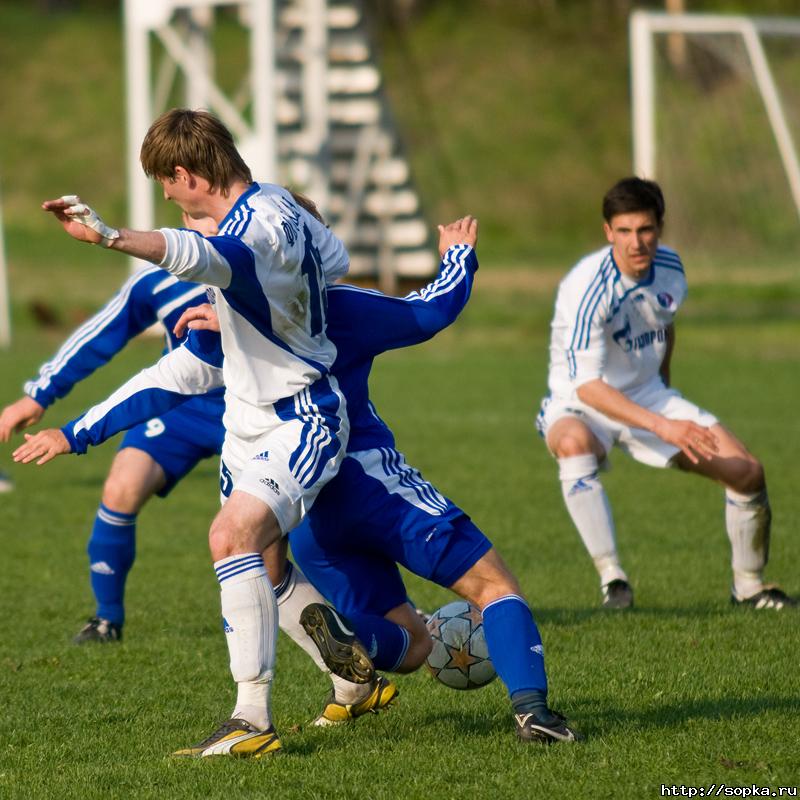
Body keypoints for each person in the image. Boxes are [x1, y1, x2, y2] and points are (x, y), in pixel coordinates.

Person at [17, 217, 579, 745]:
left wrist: (73, 431)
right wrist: (459, 253)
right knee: (494, 586)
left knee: (410, 646)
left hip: (304, 504)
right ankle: (534, 712)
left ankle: (349, 637)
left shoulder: (234, 319)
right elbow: (432, 311)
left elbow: (165, 380)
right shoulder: (342, 305)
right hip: (367, 479)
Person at [37, 108, 366, 758]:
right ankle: (351, 676)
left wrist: (111, 237)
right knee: (265, 564)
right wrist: (254, 314)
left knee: (230, 536)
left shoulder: (255, 227)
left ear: (188, 175)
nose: (166, 195)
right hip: (245, 419)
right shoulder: (281, 202)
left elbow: (206, 255)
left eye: (166, 182)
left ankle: (251, 719)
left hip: (299, 415)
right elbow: (334, 258)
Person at [536, 176, 795, 611]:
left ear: (659, 227)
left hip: (648, 395)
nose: (635, 242)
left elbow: (664, 323)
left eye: (645, 230)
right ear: (608, 232)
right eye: (624, 231)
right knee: (572, 443)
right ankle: (613, 579)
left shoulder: (671, 266)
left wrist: (665, 393)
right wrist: (664, 425)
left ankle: (749, 586)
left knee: (748, 473)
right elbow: (587, 384)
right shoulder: (586, 287)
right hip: (581, 402)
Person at [0, 244, 225, 644]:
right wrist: (38, 395)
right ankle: (107, 620)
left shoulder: (258, 269)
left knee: (271, 528)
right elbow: (101, 334)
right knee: (122, 486)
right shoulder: (160, 281)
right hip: (177, 403)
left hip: (256, 407)